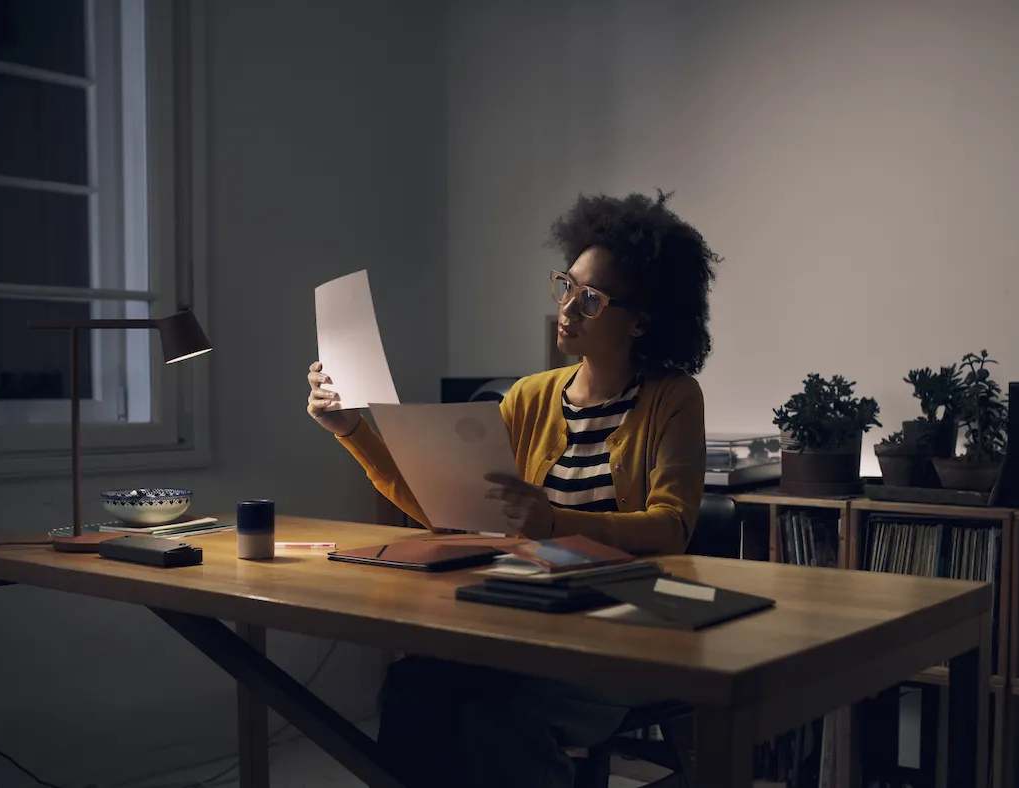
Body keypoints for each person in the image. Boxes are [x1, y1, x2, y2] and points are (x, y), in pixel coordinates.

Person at [304, 190, 720, 787]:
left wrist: (550, 522)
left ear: (643, 320)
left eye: (593, 298)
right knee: (413, 686)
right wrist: (350, 428)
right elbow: (451, 509)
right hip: (530, 614)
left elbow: (670, 527)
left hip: (629, 624)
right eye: (566, 285)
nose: (568, 309)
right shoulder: (529, 396)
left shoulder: (673, 398)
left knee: (495, 714)